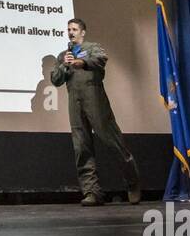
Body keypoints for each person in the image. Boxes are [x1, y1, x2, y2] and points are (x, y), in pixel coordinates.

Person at [49, 18, 141, 205]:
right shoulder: (63, 55)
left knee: (112, 141)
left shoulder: (92, 48)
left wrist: (82, 62)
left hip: (95, 99)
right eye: (68, 29)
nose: (71, 32)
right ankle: (92, 192)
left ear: (83, 32)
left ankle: (132, 182)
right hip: (75, 103)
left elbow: (101, 59)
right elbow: (56, 79)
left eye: (74, 29)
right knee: (81, 147)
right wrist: (64, 65)